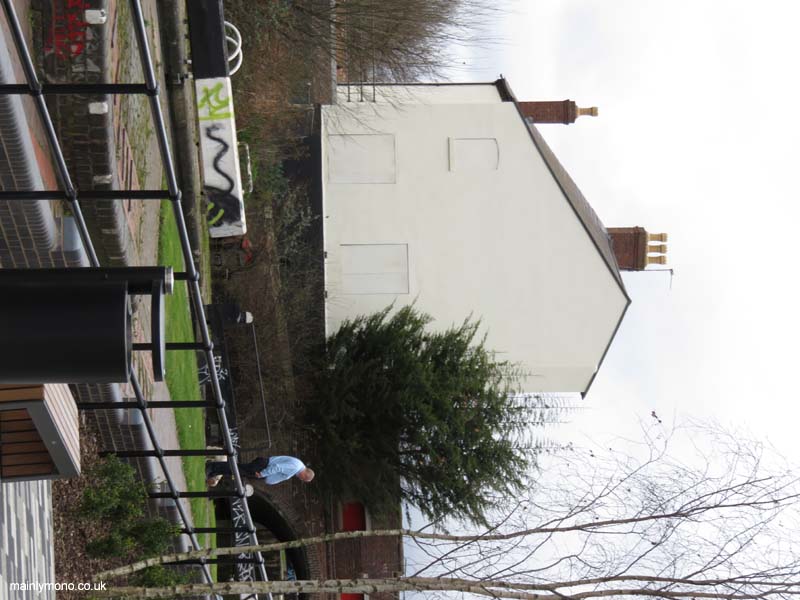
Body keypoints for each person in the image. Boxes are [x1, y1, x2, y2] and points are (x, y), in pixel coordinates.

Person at [206, 455, 314, 486]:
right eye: (303, 479)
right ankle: (212, 467)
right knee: (236, 470)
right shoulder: (295, 467)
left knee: (237, 470)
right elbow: (277, 467)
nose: (301, 479)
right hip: (262, 468)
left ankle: (214, 470)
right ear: (305, 475)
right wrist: (262, 474)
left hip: (263, 466)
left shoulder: (297, 465)